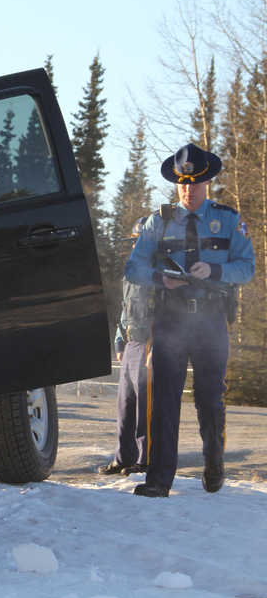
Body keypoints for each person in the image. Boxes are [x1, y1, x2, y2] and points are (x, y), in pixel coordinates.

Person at [125, 143, 254, 497]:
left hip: (211, 322)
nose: (188, 191)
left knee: (210, 399)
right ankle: (158, 480)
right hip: (170, 320)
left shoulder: (228, 220)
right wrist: (159, 278)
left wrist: (214, 269)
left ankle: (214, 464)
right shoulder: (158, 221)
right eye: (182, 184)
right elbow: (133, 266)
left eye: (195, 184)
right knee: (164, 400)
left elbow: (247, 268)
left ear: (207, 182)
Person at [98, 216, 152, 476]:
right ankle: (124, 458)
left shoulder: (161, 270)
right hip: (130, 344)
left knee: (146, 407)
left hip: (149, 343)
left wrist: (157, 345)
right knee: (125, 406)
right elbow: (124, 309)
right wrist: (119, 340)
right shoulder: (131, 272)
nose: (137, 246)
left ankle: (146, 460)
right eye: (135, 242)